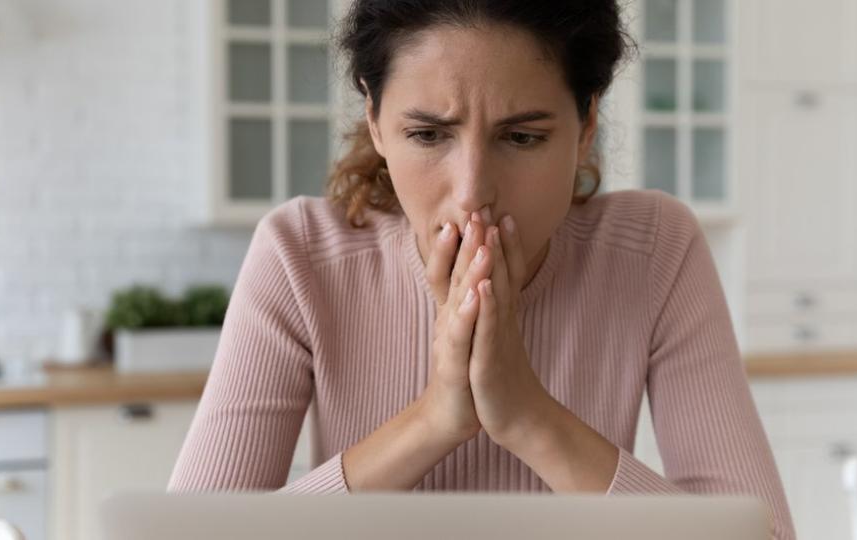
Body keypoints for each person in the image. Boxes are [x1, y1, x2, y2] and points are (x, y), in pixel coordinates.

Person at [167, 1, 795, 538]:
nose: (472, 194)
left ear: (585, 129)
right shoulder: (301, 255)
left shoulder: (652, 250)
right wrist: (436, 419)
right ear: (376, 124)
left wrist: (525, 413)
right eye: (428, 135)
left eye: (521, 138)